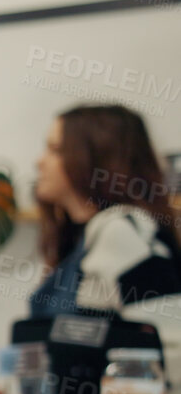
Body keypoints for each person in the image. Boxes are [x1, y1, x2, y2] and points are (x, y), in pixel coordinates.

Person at [28, 104, 179, 319]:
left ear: (95, 158)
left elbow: (165, 340)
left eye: (56, 150)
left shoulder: (126, 231)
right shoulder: (86, 236)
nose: (39, 162)